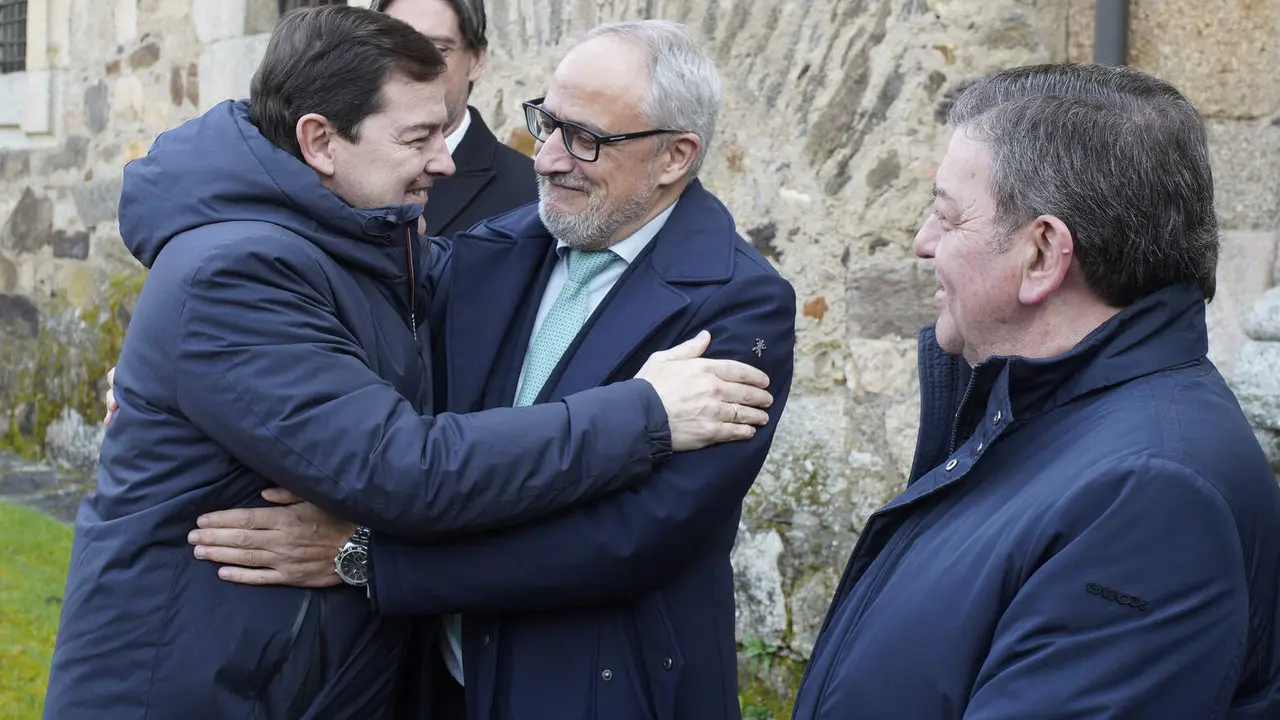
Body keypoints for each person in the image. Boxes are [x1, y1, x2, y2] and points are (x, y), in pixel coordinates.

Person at [44, 7, 776, 719]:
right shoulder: (492, 251)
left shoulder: (739, 304)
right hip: (422, 677)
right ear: (320, 141)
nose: (546, 157)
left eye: (583, 139)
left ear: (676, 155)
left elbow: (634, 537)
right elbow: (396, 447)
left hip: (595, 684)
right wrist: (166, 376)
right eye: (546, 123)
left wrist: (369, 560)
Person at [790, 62, 1280, 718]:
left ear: (1044, 254)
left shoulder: (1150, 495)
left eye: (946, 215)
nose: (922, 243)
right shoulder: (1045, 426)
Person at [374, 0, 537, 237]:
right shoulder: (336, 170)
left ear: (476, 60)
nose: (410, 66)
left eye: (437, 50)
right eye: (391, 47)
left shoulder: (530, 197)